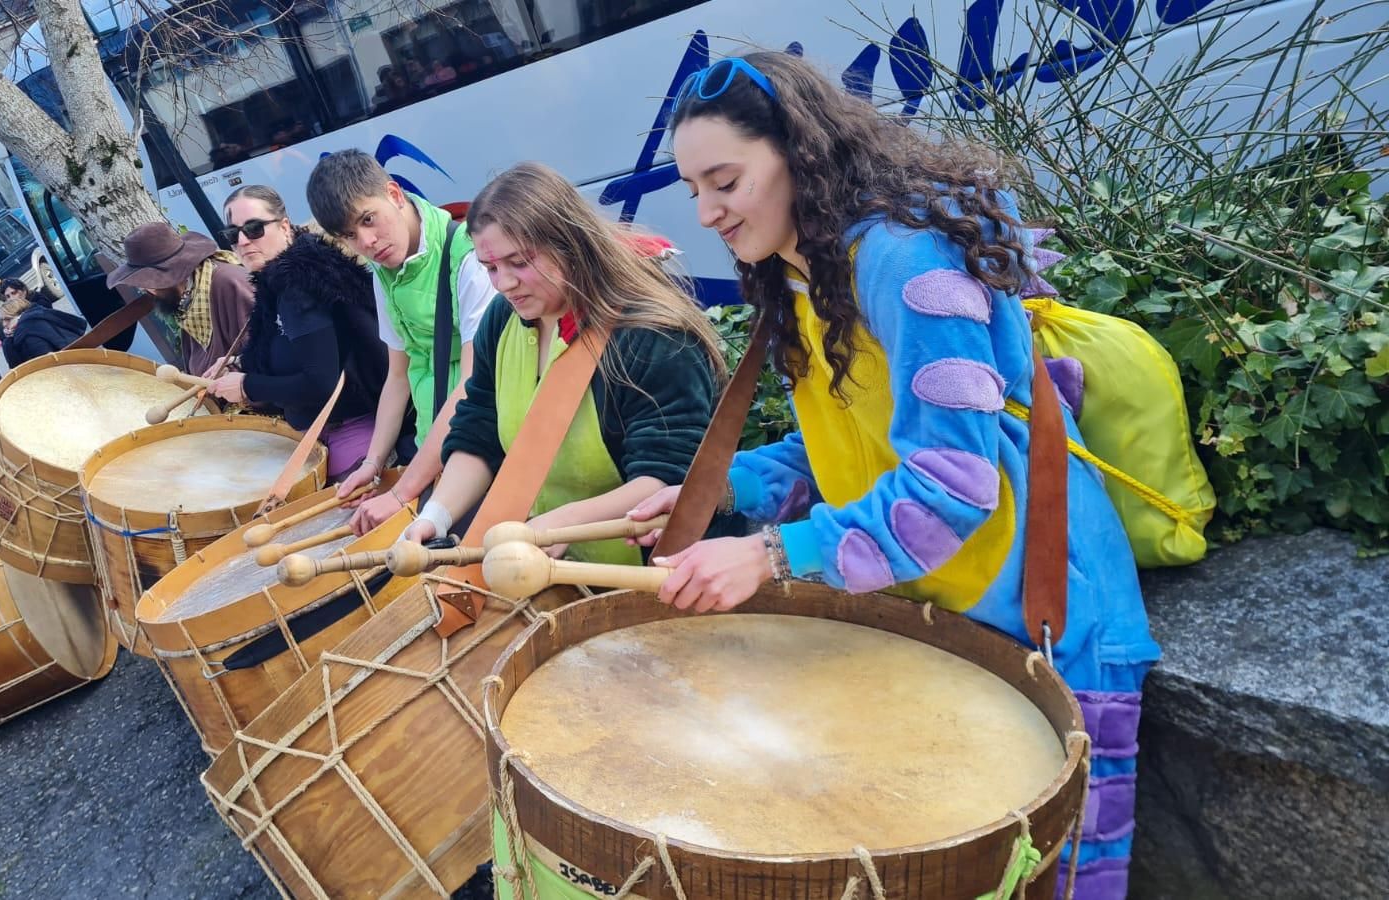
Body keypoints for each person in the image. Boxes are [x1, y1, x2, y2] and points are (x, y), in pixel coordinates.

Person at [630, 52, 1159, 899]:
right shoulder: (805, 275)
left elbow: (950, 489)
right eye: (694, 189)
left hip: (1057, 634)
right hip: (949, 618)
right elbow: (846, 450)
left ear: (798, 152)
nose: (706, 212)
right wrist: (713, 492)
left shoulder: (909, 264)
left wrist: (769, 556)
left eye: (724, 181)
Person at [400, 162, 722, 561]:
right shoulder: (501, 321)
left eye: (519, 263)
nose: (504, 284)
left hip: (655, 574)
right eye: (491, 269)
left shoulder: (652, 336)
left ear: (569, 243)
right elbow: (478, 430)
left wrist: (566, 520)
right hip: (550, 571)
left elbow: (671, 479)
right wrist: (437, 515)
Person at [308, 150, 499, 534]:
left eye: (367, 219)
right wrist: (373, 463)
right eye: (349, 235)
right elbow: (399, 376)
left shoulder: (468, 257)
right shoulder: (384, 271)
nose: (366, 241)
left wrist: (403, 492)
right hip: (436, 443)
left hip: (485, 441)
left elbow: (473, 385)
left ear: (394, 195)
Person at [209, 185, 411, 480]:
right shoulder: (285, 279)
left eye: (254, 229)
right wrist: (240, 363)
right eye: (232, 234)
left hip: (355, 434)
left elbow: (320, 383)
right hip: (323, 433)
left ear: (284, 226)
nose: (242, 241)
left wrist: (247, 386)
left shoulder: (299, 287)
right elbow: (293, 348)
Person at [106, 223, 255, 376]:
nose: (143, 289)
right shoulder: (190, 299)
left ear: (169, 276)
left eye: (145, 281)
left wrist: (234, 373)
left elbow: (273, 351)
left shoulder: (230, 283)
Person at [0, 278, 86, 368]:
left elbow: (47, 363)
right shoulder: (25, 323)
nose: (11, 298)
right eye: (8, 296)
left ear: (23, 291)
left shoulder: (29, 327)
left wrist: (19, 323)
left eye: (14, 293)